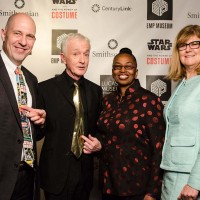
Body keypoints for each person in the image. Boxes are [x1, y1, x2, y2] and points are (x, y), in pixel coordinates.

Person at [38, 33, 103, 200]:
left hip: (85, 175)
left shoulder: (96, 91)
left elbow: (99, 129)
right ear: (63, 58)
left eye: (86, 54)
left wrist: (99, 143)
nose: (82, 60)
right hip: (55, 176)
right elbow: (36, 134)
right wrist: (40, 123)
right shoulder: (44, 89)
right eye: (76, 54)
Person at [97, 48, 166, 200]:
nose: (122, 70)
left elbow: (159, 148)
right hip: (108, 185)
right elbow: (103, 137)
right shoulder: (107, 101)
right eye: (117, 66)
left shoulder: (149, 101)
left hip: (137, 188)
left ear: (136, 72)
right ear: (113, 71)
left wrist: (153, 191)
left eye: (128, 66)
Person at [0, 13, 46, 200]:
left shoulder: (31, 79)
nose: (23, 41)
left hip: (26, 178)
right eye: (17, 33)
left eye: (30, 36)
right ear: (4, 34)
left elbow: (31, 133)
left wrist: (41, 122)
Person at [160, 25, 200, 200]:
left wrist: (195, 182)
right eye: (183, 45)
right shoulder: (182, 84)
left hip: (189, 174)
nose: (188, 49)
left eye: (195, 43)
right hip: (172, 169)